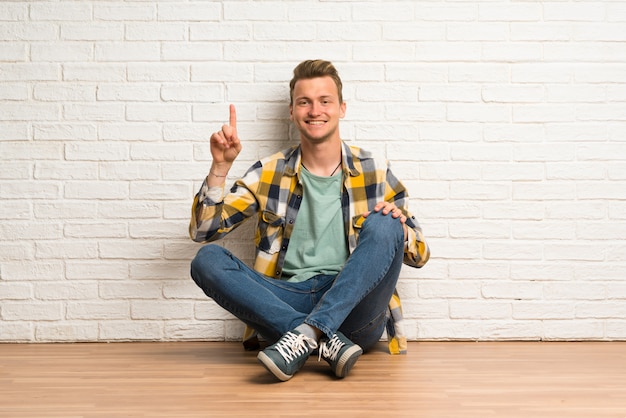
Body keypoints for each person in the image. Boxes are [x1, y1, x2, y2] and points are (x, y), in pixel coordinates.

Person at [189, 59, 429, 382]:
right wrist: (219, 168)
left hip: (353, 305)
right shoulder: (268, 171)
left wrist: (399, 230)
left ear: (341, 108)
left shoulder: (375, 170)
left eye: (324, 101)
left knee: (386, 224)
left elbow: (420, 253)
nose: (315, 110)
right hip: (287, 299)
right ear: (292, 111)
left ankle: (306, 335)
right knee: (207, 260)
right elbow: (204, 230)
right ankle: (321, 340)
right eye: (304, 102)